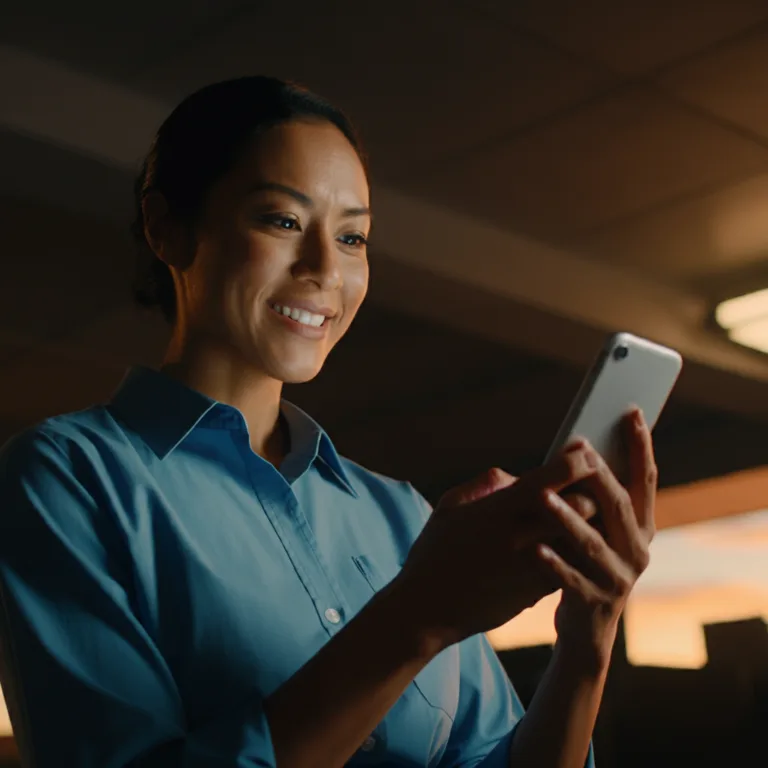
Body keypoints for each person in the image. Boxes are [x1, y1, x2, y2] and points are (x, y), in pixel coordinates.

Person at [0, 76, 656, 767]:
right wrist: (417, 615)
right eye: (283, 221)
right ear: (168, 228)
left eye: (353, 237)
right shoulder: (66, 479)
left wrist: (590, 632)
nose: (325, 269)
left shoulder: (402, 515)